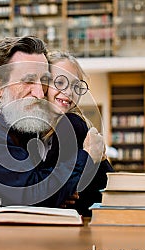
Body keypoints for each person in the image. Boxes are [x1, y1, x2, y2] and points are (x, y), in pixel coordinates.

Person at [0, 36, 109, 210]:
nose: (39, 93)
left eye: (43, 81)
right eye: (28, 80)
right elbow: (35, 192)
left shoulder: (29, 121)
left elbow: (40, 193)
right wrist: (86, 157)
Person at [45, 50, 114, 215]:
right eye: (60, 82)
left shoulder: (71, 124)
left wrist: (57, 195)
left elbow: (49, 190)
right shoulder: (40, 132)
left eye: (76, 86)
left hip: (94, 222)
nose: (69, 92)